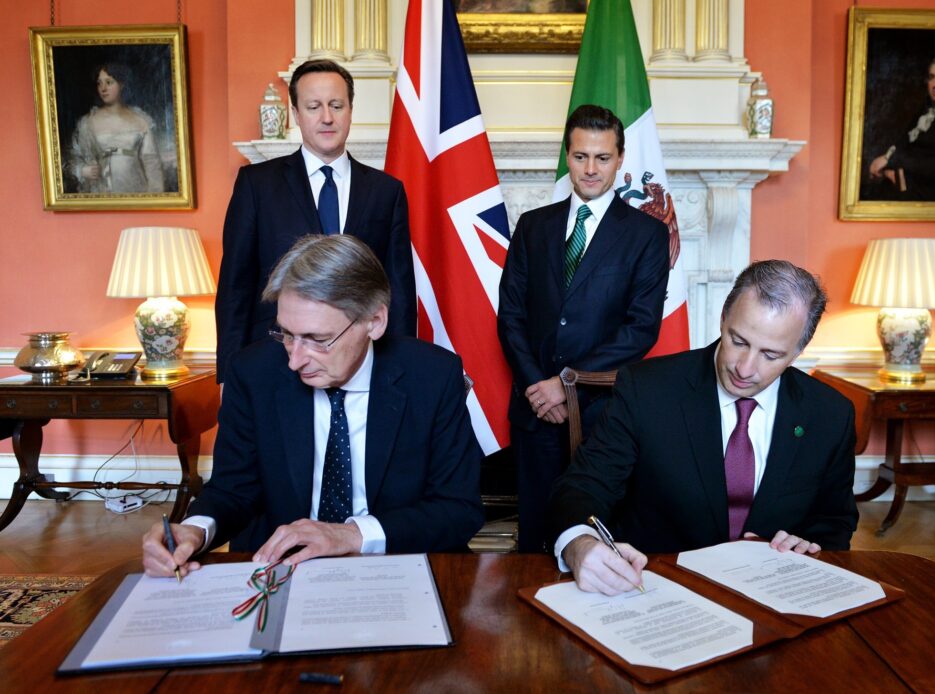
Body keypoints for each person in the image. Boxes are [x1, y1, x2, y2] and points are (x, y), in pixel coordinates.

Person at [143, 234, 483, 577]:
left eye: (317, 340)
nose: (295, 360)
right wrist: (196, 529)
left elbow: (457, 510)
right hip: (283, 568)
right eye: (287, 334)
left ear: (374, 322)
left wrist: (351, 535)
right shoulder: (253, 372)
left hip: (398, 566)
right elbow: (234, 489)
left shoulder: (432, 376)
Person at [549, 260, 858, 595]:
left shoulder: (830, 414)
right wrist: (579, 543)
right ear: (723, 317)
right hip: (658, 589)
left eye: (771, 355)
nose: (745, 368)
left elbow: (834, 523)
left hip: (773, 598)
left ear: (798, 351)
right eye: (738, 340)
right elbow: (585, 485)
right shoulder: (646, 388)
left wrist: (807, 547)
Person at [497, 104, 669, 553]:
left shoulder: (647, 235)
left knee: (596, 533)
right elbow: (511, 314)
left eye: (602, 158)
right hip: (535, 411)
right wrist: (539, 385)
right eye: (580, 157)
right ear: (567, 157)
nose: (590, 169)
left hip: (601, 413)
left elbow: (641, 328)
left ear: (620, 158)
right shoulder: (533, 226)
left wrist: (566, 385)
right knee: (534, 535)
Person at [216, 59, 416, 382]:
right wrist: (227, 376)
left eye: (336, 105)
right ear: (296, 113)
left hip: (362, 364)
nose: (327, 117)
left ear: (351, 110)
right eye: (314, 106)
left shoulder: (386, 192)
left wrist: (403, 372)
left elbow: (400, 294)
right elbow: (234, 290)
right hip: (275, 362)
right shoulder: (256, 185)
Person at [866, 56, 935, 202]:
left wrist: (891, 161)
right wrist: (888, 160)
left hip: (934, 192)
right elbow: (904, 141)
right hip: (909, 181)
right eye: (932, 77)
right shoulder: (927, 109)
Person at [65, 63, 166, 194]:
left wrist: (156, 196)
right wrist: (82, 170)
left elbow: (152, 162)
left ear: (122, 84)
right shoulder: (88, 122)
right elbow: (72, 160)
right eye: (99, 83)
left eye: (109, 82)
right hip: (102, 190)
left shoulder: (140, 120)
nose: (103, 88)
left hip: (136, 189)